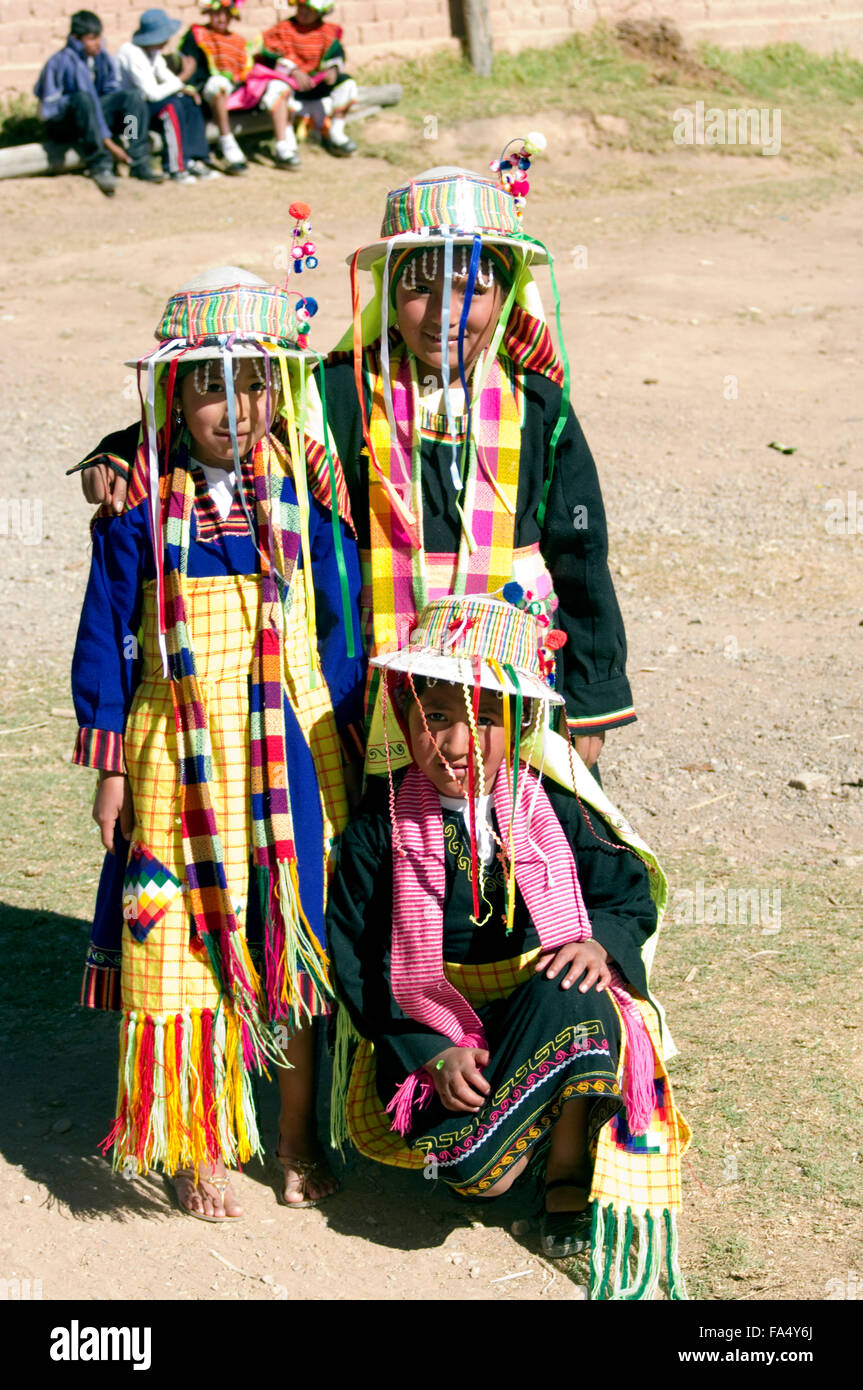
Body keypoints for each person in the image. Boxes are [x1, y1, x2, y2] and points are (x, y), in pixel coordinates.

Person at [72, 256, 365, 1219]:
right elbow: (110, 632)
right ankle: (193, 1140)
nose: (233, 409)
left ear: (278, 392)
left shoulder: (308, 494)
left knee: (293, 935)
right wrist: (109, 762)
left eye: (252, 383)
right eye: (208, 385)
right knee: (180, 936)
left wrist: (350, 730)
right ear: (173, 392)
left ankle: (292, 1140)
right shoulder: (136, 507)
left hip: (290, 741)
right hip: (174, 747)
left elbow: (340, 621)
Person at [326, 591, 689, 1297]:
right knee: (477, 1174)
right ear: (405, 719)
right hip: (433, 1032)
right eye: (435, 719)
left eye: (482, 719)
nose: (457, 744)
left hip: (536, 1014)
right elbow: (355, 954)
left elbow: (626, 895)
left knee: (582, 993)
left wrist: (601, 946)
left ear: (517, 723)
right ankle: (491, 1154)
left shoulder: (554, 806)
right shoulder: (383, 823)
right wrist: (427, 1055)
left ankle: (561, 1176)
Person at [315, 152, 634, 781]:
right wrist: (125, 449)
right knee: (394, 843)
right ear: (390, 290)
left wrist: (592, 699)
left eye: (470, 287)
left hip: (516, 675)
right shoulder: (345, 394)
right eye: (420, 287)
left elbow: (581, 550)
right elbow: (238, 418)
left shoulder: (538, 405)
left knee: (525, 836)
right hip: (387, 672)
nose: (444, 313)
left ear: (507, 289)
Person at [34, 9, 162, 196]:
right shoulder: (60, 62)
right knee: (83, 99)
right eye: (91, 39)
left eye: (99, 37)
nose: (97, 43)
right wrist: (108, 143)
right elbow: (50, 109)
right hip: (66, 123)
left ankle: (138, 158)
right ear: (76, 39)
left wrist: (118, 115)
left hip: (94, 118)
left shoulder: (100, 57)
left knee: (131, 98)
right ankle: (100, 164)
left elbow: (110, 90)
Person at [178, 0, 297, 172]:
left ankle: (283, 147)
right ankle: (228, 144)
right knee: (218, 84)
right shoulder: (198, 35)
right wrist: (188, 87)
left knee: (278, 86)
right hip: (211, 93)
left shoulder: (238, 41)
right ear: (209, 13)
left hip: (239, 91)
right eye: (217, 13)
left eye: (226, 14)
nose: (221, 18)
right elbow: (190, 63)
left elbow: (246, 70)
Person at [116, 8, 219, 183]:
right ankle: (175, 166)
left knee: (188, 101)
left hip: (146, 104)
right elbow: (151, 93)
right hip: (130, 115)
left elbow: (165, 76)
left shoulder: (152, 52)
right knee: (171, 107)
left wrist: (184, 88)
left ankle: (194, 158)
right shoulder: (131, 53)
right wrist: (183, 78)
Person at [257, 0, 359, 164]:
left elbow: (337, 56)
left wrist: (332, 70)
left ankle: (336, 134)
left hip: (316, 88)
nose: (304, 13)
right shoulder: (282, 30)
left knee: (347, 83)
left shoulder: (327, 33)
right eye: (301, 7)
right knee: (276, 88)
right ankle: (284, 146)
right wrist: (293, 71)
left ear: (320, 13)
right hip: (291, 90)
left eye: (309, 10)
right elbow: (269, 56)